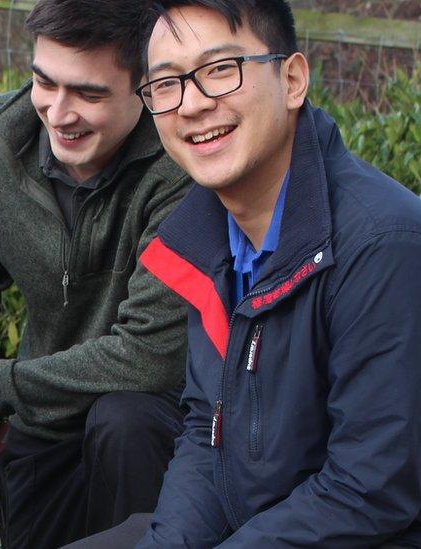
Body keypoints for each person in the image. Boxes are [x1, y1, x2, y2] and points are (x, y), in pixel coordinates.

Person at [70, 1, 421, 546]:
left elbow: (370, 488)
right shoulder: (207, 239)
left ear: (292, 79)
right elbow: (205, 433)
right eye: (166, 84)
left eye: (220, 70)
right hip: (253, 523)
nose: (192, 104)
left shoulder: (384, 244)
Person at [0, 1, 192, 546]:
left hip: (147, 424)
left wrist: (0, 386)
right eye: (43, 82)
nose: (58, 112)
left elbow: (151, 354)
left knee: (125, 421)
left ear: (146, 87)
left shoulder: (180, 167)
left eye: (89, 94)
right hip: (43, 419)